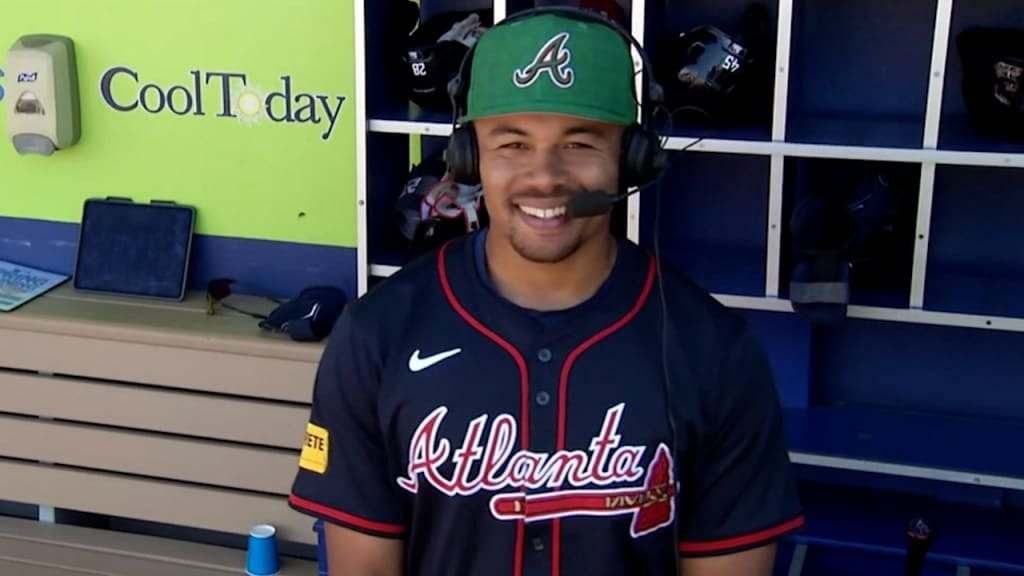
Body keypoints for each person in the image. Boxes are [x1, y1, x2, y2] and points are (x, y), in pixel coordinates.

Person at [288, 8, 804, 576]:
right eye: (512, 143)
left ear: (631, 158)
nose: (546, 176)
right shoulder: (376, 336)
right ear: (469, 155)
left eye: (580, 143)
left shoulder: (716, 351)